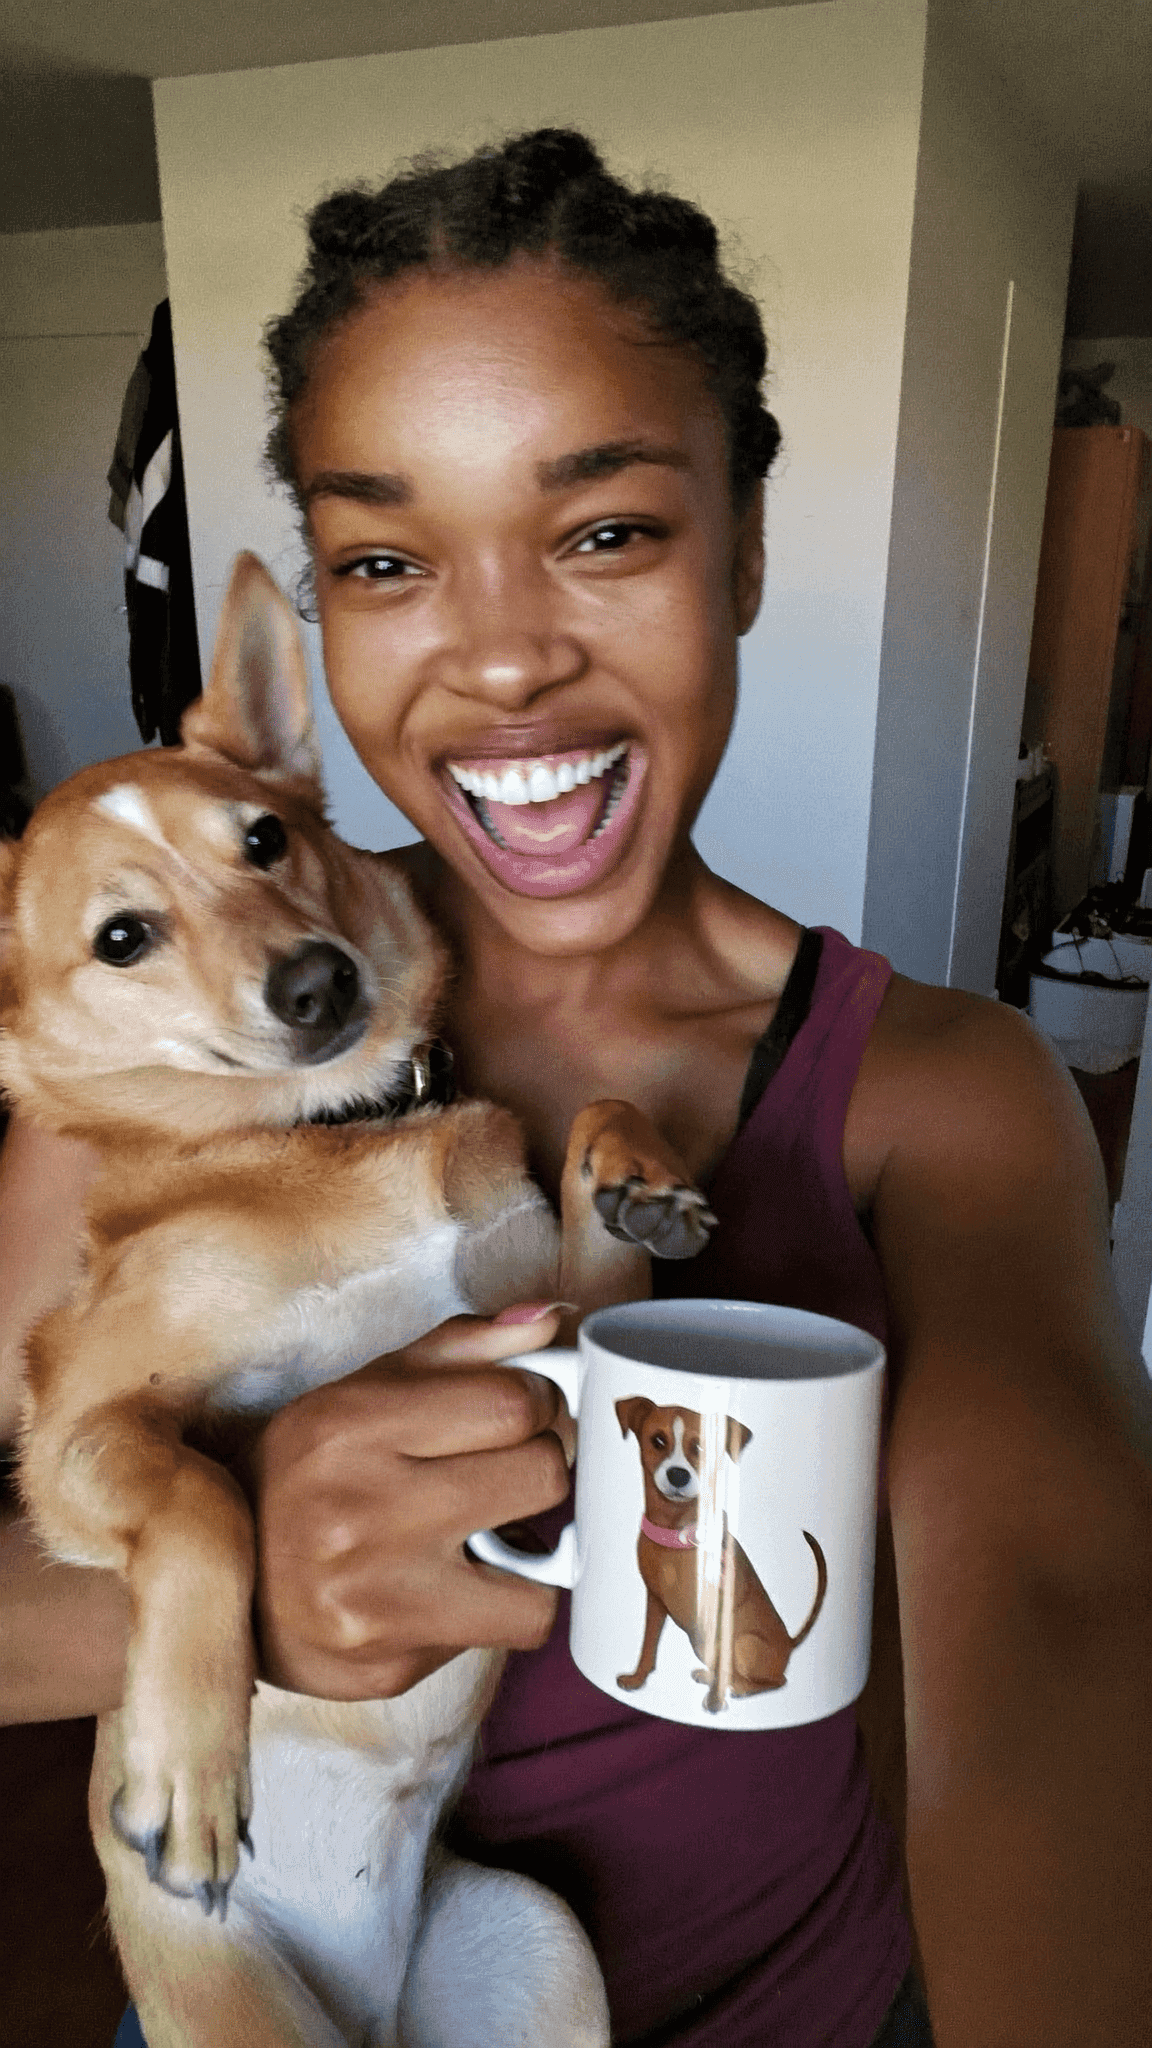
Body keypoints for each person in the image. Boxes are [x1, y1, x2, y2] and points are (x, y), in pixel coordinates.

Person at [2, 130, 1151, 2048]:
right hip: (251, 1976)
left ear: (748, 545)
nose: (509, 659)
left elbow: (1057, 1644)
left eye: (606, 530)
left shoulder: (938, 1092)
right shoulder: (141, 1105)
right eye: (386, 558)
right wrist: (235, 1573)